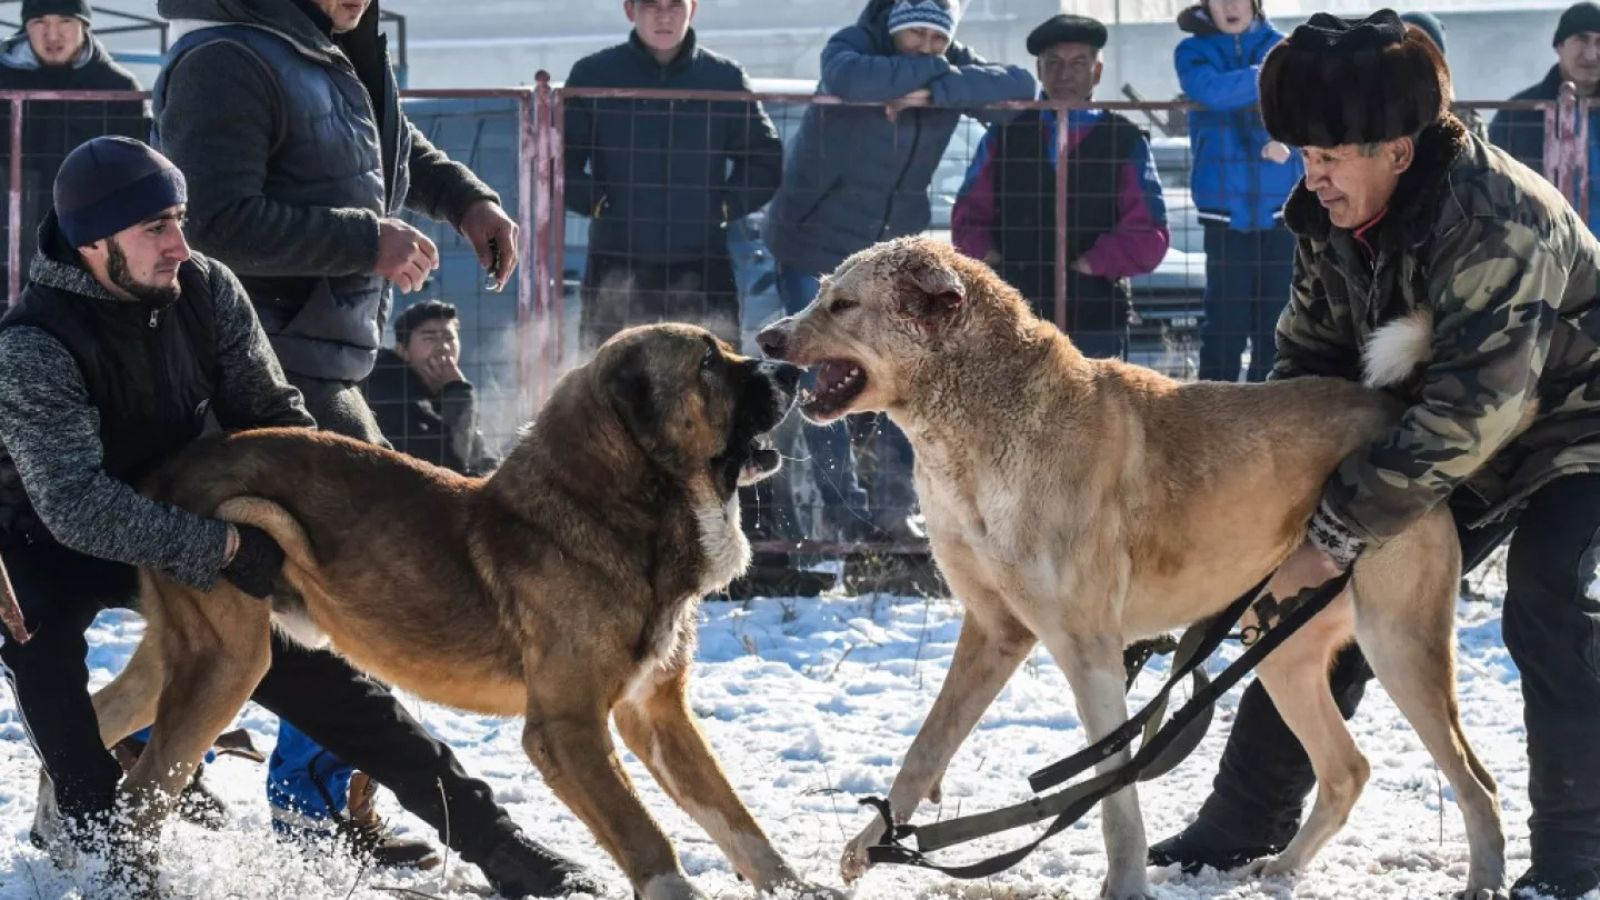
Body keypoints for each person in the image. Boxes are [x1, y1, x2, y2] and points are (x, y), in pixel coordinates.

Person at [0, 137, 600, 898]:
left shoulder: (204, 287)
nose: (180, 244)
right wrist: (216, 546)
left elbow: (274, 416)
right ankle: (88, 840)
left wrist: (321, 538)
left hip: (187, 508)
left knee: (336, 689)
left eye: (180, 219)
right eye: (154, 228)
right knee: (54, 694)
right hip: (48, 542)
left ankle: (501, 847)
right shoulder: (35, 343)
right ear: (93, 242)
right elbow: (75, 505)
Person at [1144, 12, 1600, 900]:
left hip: (1575, 427)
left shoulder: (1494, 219)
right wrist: (1272, 503)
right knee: (1309, 590)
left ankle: (1579, 850)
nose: (1311, 176)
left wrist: (1335, 530)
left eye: (1330, 157)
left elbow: (1475, 407)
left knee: (1545, 603)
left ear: (1397, 147)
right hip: (1439, 433)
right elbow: (1308, 370)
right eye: (1304, 154)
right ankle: (1243, 824)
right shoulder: (1328, 217)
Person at [147, 1, 598, 890]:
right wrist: (367, 240)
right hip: (246, 378)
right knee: (343, 611)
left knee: (336, 618)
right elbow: (212, 224)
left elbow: (391, 156)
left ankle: (290, 797)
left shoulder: (343, 49)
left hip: (325, 365)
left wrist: (467, 199)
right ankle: (139, 775)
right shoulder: (225, 60)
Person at [764, 0, 1036, 543]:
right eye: (916, 36)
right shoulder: (853, 45)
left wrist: (929, 84)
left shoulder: (943, 59)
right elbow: (849, 77)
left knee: (902, 375)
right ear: (893, 30)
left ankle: (893, 513)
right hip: (816, 241)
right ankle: (842, 515)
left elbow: (1019, 86)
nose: (930, 48)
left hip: (885, 263)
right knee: (823, 373)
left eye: (939, 40)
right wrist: (936, 79)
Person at [563, 0, 783, 354]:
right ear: (630, 10)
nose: (664, 15)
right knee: (611, 385)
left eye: (675, 5)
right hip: (616, 261)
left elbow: (764, 158)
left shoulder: (724, 78)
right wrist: (598, 204)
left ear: (692, 9)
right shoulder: (593, 75)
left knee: (713, 384)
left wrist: (723, 207)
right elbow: (559, 160)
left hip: (702, 263)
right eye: (651, 5)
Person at [952, 14, 1170, 357]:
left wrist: (1093, 264)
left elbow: (1149, 234)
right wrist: (993, 262)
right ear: (1039, 71)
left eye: (1078, 63)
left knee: (1093, 410)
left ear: (1096, 72)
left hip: (1095, 315)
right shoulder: (1004, 134)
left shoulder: (1124, 140)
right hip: (1013, 314)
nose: (1065, 74)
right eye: (1053, 63)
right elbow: (967, 216)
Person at [1174, 0, 1303, 383]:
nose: (1230, 6)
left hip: (1280, 209)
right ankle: (1210, 420)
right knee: (1223, 326)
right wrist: (1271, 77)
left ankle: (1270, 416)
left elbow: (1305, 109)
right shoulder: (1192, 50)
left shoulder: (1285, 47)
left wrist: (1286, 136)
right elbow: (1211, 91)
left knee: (1276, 323)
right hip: (1223, 211)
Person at [0, 0, 143, 299]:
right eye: (39, 22)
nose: (52, 35)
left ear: (84, 25)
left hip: (83, 232)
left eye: (65, 20)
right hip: (6, 228)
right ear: (25, 28)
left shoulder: (118, 86)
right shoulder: (3, 78)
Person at [1489, 1, 1600, 232]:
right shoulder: (1519, 113)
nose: (1592, 54)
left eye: (1599, 42)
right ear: (1559, 45)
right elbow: (1492, 186)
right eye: (1581, 39)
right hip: (1542, 253)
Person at [367, 300, 499, 476]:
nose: (443, 347)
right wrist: (457, 391)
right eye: (429, 338)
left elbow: (481, 456)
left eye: (449, 338)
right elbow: (451, 464)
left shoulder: (437, 390)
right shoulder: (389, 391)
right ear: (402, 350)